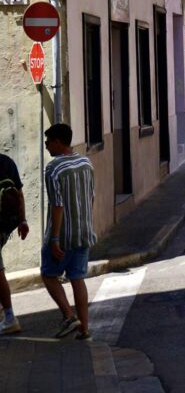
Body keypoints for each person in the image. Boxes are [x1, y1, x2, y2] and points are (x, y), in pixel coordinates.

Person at [41, 124, 96, 340]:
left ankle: (69, 316)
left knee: (48, 275)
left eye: (48, 142)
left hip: (63, 235)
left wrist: (54, 238)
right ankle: (85, 329)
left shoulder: (53, 168)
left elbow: (57, 204)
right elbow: (91, 196)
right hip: (84, 232)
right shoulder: (86, 162)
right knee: (77, 278)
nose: (46, 146)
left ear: (58, 142)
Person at [0, 152, 29, 335]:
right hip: (6, 225)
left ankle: (10, 317)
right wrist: (23, 220)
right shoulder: (6, 162)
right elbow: (19, 194)